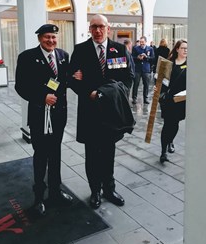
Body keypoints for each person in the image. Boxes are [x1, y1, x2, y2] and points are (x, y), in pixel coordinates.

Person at [69, 14, 134, 209]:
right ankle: (95, 191)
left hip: (111, 112)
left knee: (108, 151)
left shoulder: (119, 49)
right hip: (90, 111)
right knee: (92, 153)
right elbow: (72, 80)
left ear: (108, 28)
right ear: (89, 29)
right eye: (93, 27)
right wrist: (88, 92)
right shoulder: (80, 50)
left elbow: (128, 78)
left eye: (101, 27)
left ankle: (109, 189)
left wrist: (107, 93)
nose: (97, 30)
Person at [15, 24, 73, 216]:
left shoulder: (63, 55)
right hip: (40, 114)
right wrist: (42, 97)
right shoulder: (27, 57)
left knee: (55, 153)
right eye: (47, 37)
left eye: (54, 37)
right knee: (41, 154)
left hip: (58, 115)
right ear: (40, 38)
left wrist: (74, 78)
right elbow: (21, 86)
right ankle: (39, 197)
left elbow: (63, 81)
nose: (51, 41)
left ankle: (55, 192)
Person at [159, 39, 187, 163]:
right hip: (169, 99)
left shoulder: (192, 64)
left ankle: (170, 141)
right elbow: (161, 81)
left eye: (187, 49)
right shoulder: (169, 63)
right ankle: (163, 151)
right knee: (167, 124)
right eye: (183, 48)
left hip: (183, 100)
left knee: (175, 124)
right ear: (177, 49)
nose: (186, 50)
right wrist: (158, 88)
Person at [131, 36, 155, 104]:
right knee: (136, 84)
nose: (141, 43)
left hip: (146, 69)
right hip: (137, 69)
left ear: (145, 42)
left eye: (143, 42)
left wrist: (146, 57)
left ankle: (145, 98)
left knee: (146, 85)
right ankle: (134, 98)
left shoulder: (150, 49)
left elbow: (153, 58)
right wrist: (137, 57)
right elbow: (132, 57)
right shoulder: (135, 48)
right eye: (141, 42)